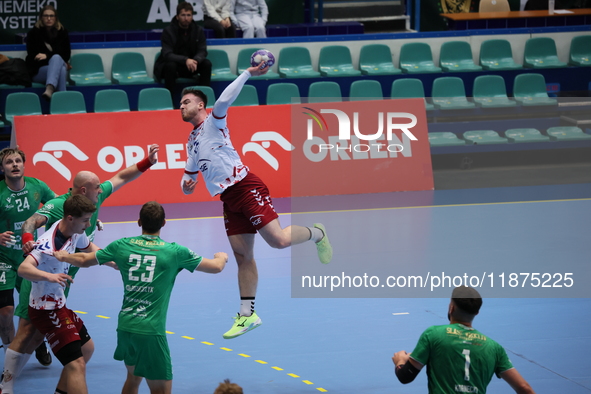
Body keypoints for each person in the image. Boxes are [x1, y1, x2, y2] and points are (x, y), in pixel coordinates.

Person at [179, 64, 333, 339]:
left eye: (186, 102)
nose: (181, 106)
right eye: (180, 103)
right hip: (228, 198)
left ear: (201, 105)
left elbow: (225, 99)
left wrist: (248, 72)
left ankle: (318, 234)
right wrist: (187, 186)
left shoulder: (214, 122)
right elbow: (187, 179)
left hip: (246, 186)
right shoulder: (191, 142)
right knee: (242, 256)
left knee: (278, 241)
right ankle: (247, 315)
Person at [0, 145, 159, 394]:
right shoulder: (59, 209)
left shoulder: (87, 207)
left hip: (62, 281)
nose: (103, 191)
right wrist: (28, 238)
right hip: (44, 279)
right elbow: (32, 222)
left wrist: (147, 162)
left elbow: (120, 178)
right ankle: (6, 385)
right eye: (98, 190)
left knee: (58, 340)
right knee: (28, 330)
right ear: (84, 192)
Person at [54, 201, 228, 394]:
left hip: (126, 327)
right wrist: (222, 257)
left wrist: (63, 256)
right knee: (160, 390)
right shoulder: (175, 251)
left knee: (133, 378)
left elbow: (85, 260)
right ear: (164, 223)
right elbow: (216, 267)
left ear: (139, 222)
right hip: (151, 331)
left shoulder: (122, 245)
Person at [18, 195, 101, 394]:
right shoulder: (47, 245)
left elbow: (89, 249)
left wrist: (113, 260)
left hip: (59, 305)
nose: (89, 224)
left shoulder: (75, 230)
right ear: (71, 218)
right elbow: (23, 269)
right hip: (46, 309)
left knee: (87, 349)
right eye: (85, 220)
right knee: (76, 365)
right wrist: (49, 276)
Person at [392, 286, 536, 394]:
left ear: (451, 308)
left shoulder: (433, 334)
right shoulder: (495, 348)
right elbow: (524, 388)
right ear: (477, 312)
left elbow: (406, 376)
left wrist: (400, 361)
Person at [0, 148, 56, 369]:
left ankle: (37, 344)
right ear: (2, 168)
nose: (14, 165)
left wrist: (88, 220)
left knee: (35, 310)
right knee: (5, 312)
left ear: (23, 165)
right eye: (8, 162)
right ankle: (9, 359)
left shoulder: (37, 186)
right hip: (3, 257)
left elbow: (59, 206)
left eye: (17, 161)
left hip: (30, 258)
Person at [154, 1, 212, 96]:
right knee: (170, 66)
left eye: (189, 15)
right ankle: (171, 100)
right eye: (183, 15)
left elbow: (202, 50)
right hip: (175, 66)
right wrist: (185, 60)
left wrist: (196, 60)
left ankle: (203, 98)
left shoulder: (198, 30)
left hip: (192, 65)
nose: (186, 18)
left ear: (192, 16)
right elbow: (167, 54)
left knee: (206, 64)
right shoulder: (168, 31)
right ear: (177, 17)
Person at [25, 5, 70, 101]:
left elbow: (66, 55)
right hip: (38, 71)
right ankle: (63, 101)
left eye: (51, 16)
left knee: (59, 63)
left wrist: (47, 56)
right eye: (46, 16)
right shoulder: (33, 34)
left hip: (54, 69)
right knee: (59, 64)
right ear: (41, 18)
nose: (49, 18)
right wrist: (52, 59)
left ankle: (50, 88)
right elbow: (33, 57)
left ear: (55, 18)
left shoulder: (62, 33)